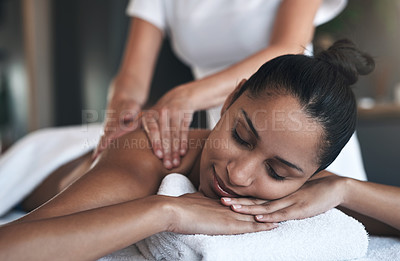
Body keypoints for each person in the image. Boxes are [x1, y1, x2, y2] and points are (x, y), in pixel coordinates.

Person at [1, 40, 398, 261]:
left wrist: (347, 189)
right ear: (228, 103)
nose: (239, 175)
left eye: (276, 173)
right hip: (61, 155)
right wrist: (166, 211)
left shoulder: (303, 184)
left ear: (308, 178)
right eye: (241, 137)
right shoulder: (149, 158)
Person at [94, 0, 362, 176]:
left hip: (298, 129)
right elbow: (131, 76)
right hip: (226, 131)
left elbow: (290, 47)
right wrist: (122, 109)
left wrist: (185, 96)